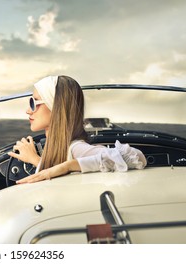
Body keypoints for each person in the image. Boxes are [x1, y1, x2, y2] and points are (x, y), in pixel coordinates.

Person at [8, 75, 147, 184]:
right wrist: (37, 160)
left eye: (33, 102)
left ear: (56, 107)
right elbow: (60, 182)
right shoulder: (58, 147)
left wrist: (68, 165)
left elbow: (137, 157)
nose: (28, 111)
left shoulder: (76, 148)